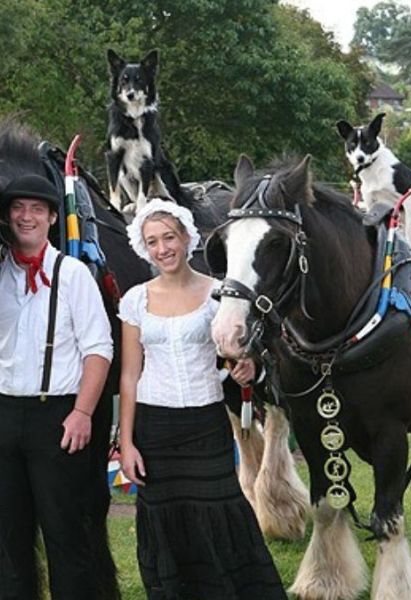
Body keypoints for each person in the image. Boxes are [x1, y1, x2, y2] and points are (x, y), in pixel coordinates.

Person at [118, 198, 287, 599]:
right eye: (153, 241)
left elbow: (240, 359)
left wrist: (248, 368)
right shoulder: (135, 300)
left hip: (206, 421)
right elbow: (129, 375)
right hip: (154, 428)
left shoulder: (218, 294)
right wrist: (125, 443)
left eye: (169, 237)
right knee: (165, 520)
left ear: (187, 238)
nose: (163, 249)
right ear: (144, 247)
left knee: (221, 512)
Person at [0, 173, 118, 599]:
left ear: (53, 217)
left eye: (37, 209)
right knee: (9, 539)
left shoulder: (73, 274)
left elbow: (99, 350)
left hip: (56, 416)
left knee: (65, 535)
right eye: (18, 208)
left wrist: (83, 413)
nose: (26, 216)